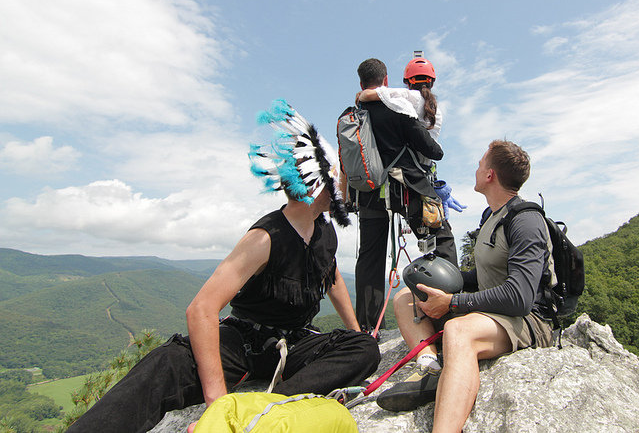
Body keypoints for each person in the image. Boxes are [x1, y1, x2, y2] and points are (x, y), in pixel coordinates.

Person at [68, 100, 380, 433]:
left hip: (294, 344)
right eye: (338, 177)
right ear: (318, 184)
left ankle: (262, 408)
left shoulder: (324, 230)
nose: (344, 185)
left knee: (363, 348)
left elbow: (331, 278)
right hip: (242, 343)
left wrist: (354, 330)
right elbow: (201, 308)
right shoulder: (266, 237)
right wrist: (216, 400)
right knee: (165, 364)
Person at [378, 140, 553, 433]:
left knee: (460, 331)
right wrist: (441, 281)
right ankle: (431, 368)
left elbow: (520, 297)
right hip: (491, 310)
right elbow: (483, 275)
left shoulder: (526, 221)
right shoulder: (492, 216)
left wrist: (453, 303)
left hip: (526, 320)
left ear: (490, 176)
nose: (476, 169)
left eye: (480, 165)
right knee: (406, 297)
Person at [347, 58, 458, 334]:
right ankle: (452, 311)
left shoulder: (352, 114)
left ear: (361, 84)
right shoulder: (398, 108)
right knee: (441, 242)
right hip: (410, 188)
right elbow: (433, 150)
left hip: (370, 193)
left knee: (370, 258)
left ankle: (368, 327)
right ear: (386, 81)